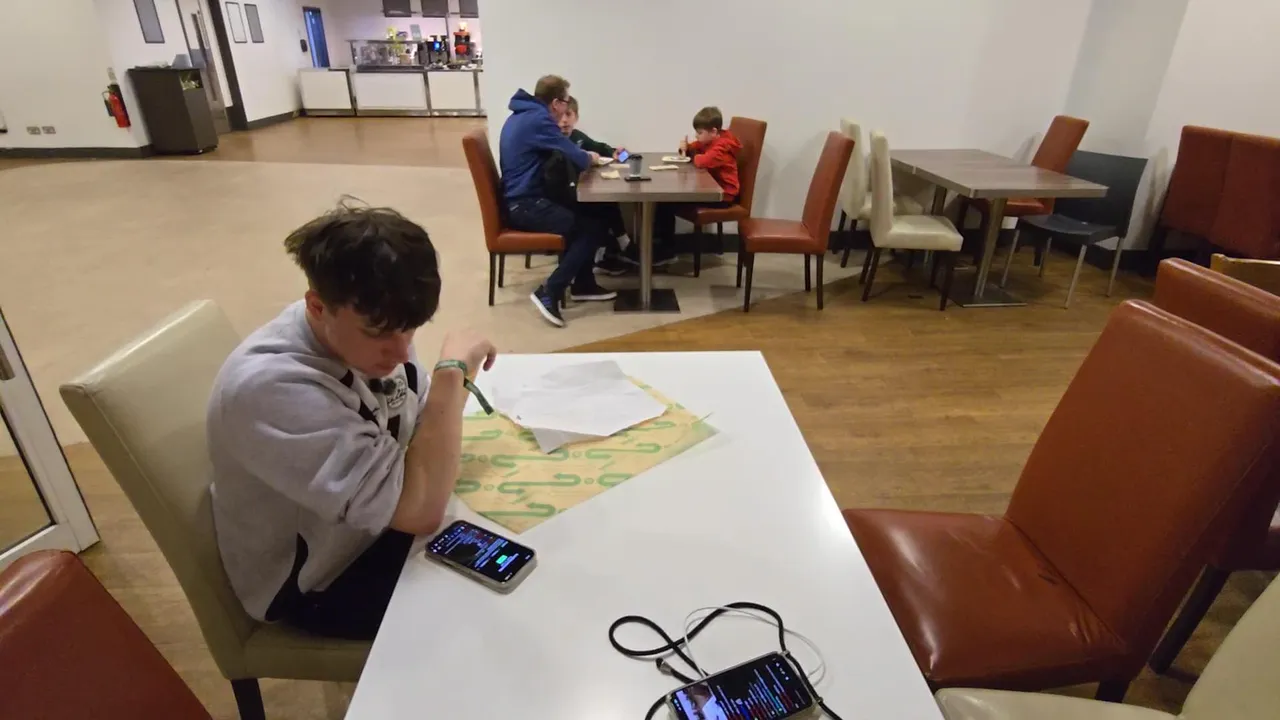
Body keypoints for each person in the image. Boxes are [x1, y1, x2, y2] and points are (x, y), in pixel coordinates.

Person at [208, 204, 498, 641]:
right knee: (490, 620)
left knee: (521, 547)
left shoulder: (370, 322)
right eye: (379, 333)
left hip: (376, 527)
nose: (401, 352)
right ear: (316, 306)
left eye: (411, 330)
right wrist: (451, 374)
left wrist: (441, 394)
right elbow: (419, 510)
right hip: (321, 582)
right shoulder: (270, 388)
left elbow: (420, 429)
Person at [500, 75, 615, 328]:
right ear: (555, 103)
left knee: (593, 217)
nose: (565, 110)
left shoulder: (522, 115)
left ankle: (583, 284)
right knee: (589, 229)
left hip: (521, 200)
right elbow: (577, 156)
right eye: (565, 102)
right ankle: (550, 291)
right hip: (525, 204)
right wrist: (591, 157)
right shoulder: (539, 120)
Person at [640, 106, 742, 267]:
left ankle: (666, 250)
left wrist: (692, 153)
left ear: (713, 131)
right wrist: (687, 147)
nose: (696, 136)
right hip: (714, 189)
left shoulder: (722, 147)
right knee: (664, 202)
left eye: (700, 132)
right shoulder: (712, 141)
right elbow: (696, 148)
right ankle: (661, 246)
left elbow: (701, 161)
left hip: (723, 196)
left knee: (665, 203)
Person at [557, 96, 631, 276]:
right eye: (560, 116)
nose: (564, 121)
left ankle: (615, 247)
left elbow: (601, 148)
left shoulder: (577, 137)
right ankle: (618, 247)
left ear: (576, 117)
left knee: (607, 199)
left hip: (580, 190)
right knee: (600, 206)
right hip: (563, 198)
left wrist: (617, 153)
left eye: (569, 114)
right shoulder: (553, 140)